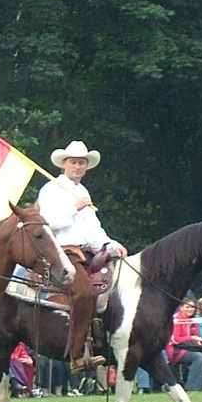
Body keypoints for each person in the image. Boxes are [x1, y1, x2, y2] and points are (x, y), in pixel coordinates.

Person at [36, 141, 126, 367]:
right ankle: (77, 354)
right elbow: (46, 223)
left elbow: (93, 229)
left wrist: (110, 244)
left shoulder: (82, 191)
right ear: (64, 164)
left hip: (87, 252)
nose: (78, 166)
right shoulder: (51, 189)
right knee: (84, 293)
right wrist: (74, 208)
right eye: (74, 162)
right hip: (61, 252)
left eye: (82, 163)